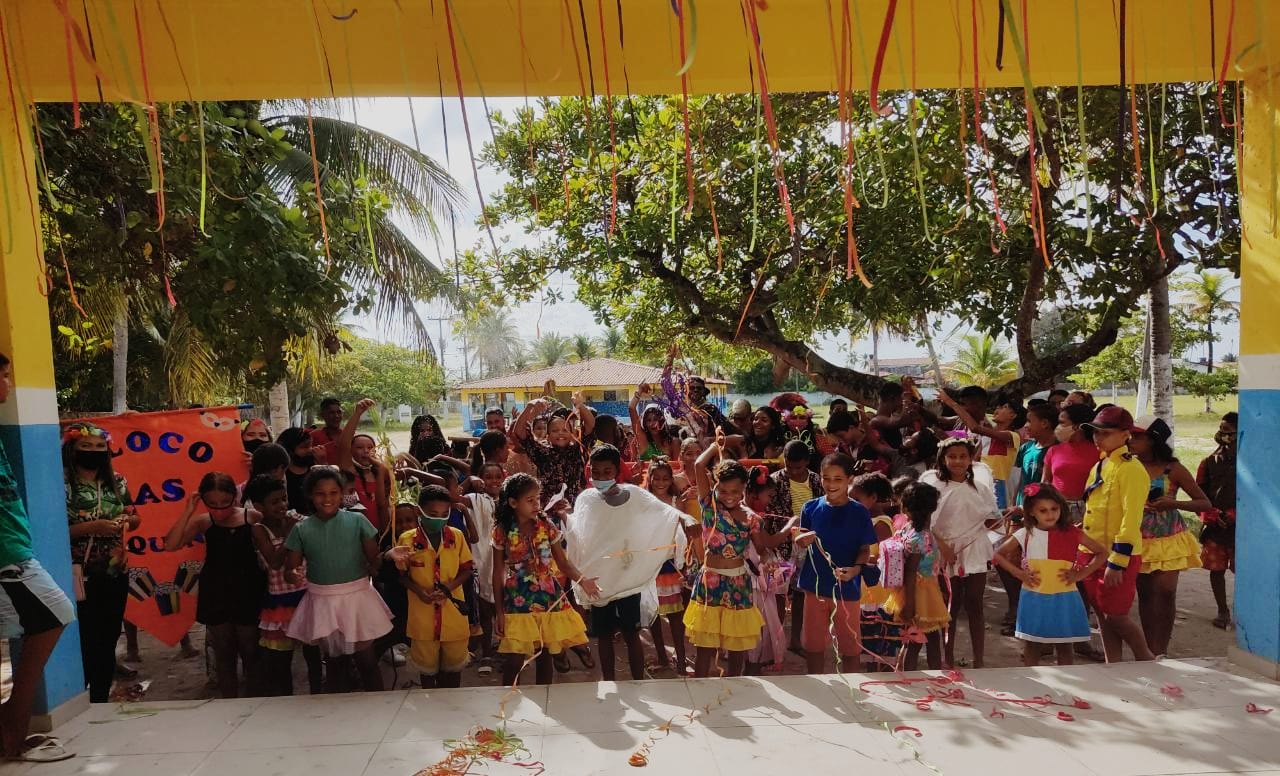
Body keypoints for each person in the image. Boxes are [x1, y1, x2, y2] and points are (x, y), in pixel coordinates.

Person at [0, 354, 75, 763]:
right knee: (56, 614)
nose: (9, 384)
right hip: (8, 555)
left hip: (14, 549)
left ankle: (12, 720)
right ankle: (13, 719)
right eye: (5, 376)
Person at [567, 445, 693, 681]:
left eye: (607, 472)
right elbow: (578, 532)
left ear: (617, 471)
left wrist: (686, 518)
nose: (602, 477)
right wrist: (565, 517)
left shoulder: (635, 495)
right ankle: (608, 681)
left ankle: (637, 681)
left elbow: (663, 513)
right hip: (600, 578)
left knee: (631, 632)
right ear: (589, 472)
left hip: (629, 577)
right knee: (604, 635)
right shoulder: (586, 499)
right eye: (596, 472)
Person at [284, 467, 393, 692]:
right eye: (320, 494)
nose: (327, 499)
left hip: (357, 598)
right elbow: (290, 569)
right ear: (310, 495)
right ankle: (337, 714)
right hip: (323, 601)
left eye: (333, 493)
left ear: (342, 493)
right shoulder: (301, 529)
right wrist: (293, 575)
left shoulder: (357, 521)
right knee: (334, 662)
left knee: (367, 661)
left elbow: (374, 561)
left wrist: (389, 556)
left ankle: (381, 708)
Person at [491, 472, 599, 687]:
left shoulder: (546, 526)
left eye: (538, 499)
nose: (536, 504)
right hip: (517, 600)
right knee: (515, 657)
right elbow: (497, 572)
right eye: (530, 500)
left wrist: (582, 580)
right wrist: (499, 611)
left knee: (545, 654)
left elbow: (563, 563)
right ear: (513, 502)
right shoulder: (502, 530)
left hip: (548, 597)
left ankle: (545, 701)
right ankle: (507, 704)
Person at [164, 473, 266, 698]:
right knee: (223, 652)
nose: (219, 510)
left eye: (225, 503)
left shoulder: (252, 517)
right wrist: (188, 511)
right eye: (213, 504)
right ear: (204, 501)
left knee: (251, 650)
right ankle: (229, 701)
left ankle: (256, 700)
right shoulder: (204, 521)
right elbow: (171, 544)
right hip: (216, 591)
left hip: (248, 589)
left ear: (234, 498)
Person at [62, 421, 140, 704]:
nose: (94, 452)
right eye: (86, 446)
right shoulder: (62, 484)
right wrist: (92, 526)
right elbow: (54, 530)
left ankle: (99, 699)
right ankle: (76, 697)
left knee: (108, 638)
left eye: (99, 446)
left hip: (114, 570)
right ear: (72, 449)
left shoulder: (117, 482)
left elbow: (135, 516)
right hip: (76, 573)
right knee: (83, 637)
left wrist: (124, 521)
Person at [992, 483, 1107, 666]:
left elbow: (1101, 552)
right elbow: (997, 554)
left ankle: (1065, 690)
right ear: (1031, 512)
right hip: (1034, 597)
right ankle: (1033, 686)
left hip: (1065, 597)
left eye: (1054, 509)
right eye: (1043, 510)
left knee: (1064, 646)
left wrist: (1081, 574)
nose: (1050, 514)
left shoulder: (1072, 533)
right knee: (1032, 645)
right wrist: (1019, 574)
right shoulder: (1025, 533)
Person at [683, 440, 769, 678]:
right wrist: (715, 445)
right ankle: (701, 685)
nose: (728, 496)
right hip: (709, 583)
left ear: (744, 490)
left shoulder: (751, 519)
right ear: (715, 487)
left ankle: (734, 685)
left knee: (736, 643)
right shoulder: (709, 507)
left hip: (737, 583)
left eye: (735, 491)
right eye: (723, 490)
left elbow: (762, 549)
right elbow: (700, 465)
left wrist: (768, 558)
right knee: (705, 646)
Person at [1078, 406, 1156, 662]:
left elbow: (1131, 519)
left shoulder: (1131, 469)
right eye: (1095, 433)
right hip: (1092, 552)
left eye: (1106, 433)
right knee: (1102, 615)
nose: (1098, 438)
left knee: (1117, 615)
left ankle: (1146, 659)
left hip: (1116, 556)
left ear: (1125, 435)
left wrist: (1118, 561)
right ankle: (1114, 664)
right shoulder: (1101, 464)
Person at [1129, 416, 1210, 656]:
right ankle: (1148, 649)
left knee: (1165, 592)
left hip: (1170, 538)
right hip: (1138, 538)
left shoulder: (1172, 469)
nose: (1131, 441)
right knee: (1144, 594)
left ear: (1153, 441)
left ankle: (1160, 649)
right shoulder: (1127, 465)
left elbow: (1204, 503)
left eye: (1138, 437)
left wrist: (1173, 503)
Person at [791, 453, 878, 674]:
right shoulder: (810, 508)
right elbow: (801, 541)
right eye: (826, 478)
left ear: (849, 479)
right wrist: (801, 540)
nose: (831, 484)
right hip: (815, 586)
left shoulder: (859, 512)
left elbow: (864, 549)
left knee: (850, 647)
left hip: (846, 588)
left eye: (838, 479)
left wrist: (856, 570)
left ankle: (852, 692)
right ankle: (817, 687)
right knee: (814, 645)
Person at [920, 438, 999, 668]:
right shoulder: (934, 485)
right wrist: (942, 546)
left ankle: (979, 660)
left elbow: (990, 519)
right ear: (943, 459)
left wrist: (1009, 515)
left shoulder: (980, 487)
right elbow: (927, 521)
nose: (957, 461)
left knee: (974, 602)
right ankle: (948, 659)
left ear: (970, 458)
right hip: (943, 549)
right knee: (949, 606)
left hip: (974, 548)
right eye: (952, 456)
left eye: (963, 456)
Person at [245, 475, 321, 696]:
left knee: (312, 652)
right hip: (279, 602)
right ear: (259, 506)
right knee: (281, 657)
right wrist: (290, 532)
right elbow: (275, 562)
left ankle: (318, 692)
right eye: (275, 502)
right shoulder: (259, 530)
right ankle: (286, 696)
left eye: (284, 499)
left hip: (306, 595)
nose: (282, 505)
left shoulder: (295, 518)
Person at [392, 485, 474, 689]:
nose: (439, 518)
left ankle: (450, 707)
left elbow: (467, 570)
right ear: (419, 511)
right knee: (427, 671)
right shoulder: (407, 539)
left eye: (445, 514)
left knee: (453, 669)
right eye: (433, 514)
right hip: (422, 618)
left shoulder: (456, 537)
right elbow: (401, 576)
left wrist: (449, 588)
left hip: (453, 616)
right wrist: (420, 591)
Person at [994, 402, 1059, 635]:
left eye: (1030, 421)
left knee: (1037, 564)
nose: (1026, 426)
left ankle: (1035, 615)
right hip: (1019, 514)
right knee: (1006, 559)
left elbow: (1048, 485)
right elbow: (1016, 480)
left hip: (1042, 517)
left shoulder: (1056, 449)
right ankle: (1016, 605)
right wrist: (1013, 506)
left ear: (1045, 423)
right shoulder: (1027, 448)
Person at [882, 482, 950, 670]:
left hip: (918, 589)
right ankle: (922, 675)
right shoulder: (922, 537)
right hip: (920, 593)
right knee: (920, 639)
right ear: (933, 508)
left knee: (917, 638)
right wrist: (910, 604)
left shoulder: (906, 529)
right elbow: (911, 571)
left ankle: (918, 674)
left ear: (905, 507)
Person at [766, 440, 822, 654]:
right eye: (789, 466)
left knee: (801, 594)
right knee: (778, 594)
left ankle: (795, 640)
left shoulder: (817, 481)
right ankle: (776, 643)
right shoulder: (775, 481)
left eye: (797, 467)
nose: (792, 471)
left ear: (807, 463)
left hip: (807, 544)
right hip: (782, 545)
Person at [939, 392, 1025, 509]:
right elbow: (974, 461)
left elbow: (975, 428)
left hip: (996, 484)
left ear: (1013, 415)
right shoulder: (988, 435)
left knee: (995, 522)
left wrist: (951, 402)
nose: (997, 409)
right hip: (979, 481)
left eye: (1004, 407)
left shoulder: (1012, 436)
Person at [646, 459, 693, 673]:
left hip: (671, 565)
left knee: (675, 615)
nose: (661, 482)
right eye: (657, 478)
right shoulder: (645, 501)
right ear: (650, 478)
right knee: (653, 615)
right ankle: (662, 657)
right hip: (649, 566)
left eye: (666, 478)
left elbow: (683, 531)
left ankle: (681, 658)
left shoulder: (676, 501)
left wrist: (683, 562)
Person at [743, 466, 789, 674]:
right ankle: (753, 663)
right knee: (758, 619)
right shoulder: (752, 517)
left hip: (750, 572)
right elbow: (766, 544)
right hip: (753, 575)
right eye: (768, 495)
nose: (770, 500)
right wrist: (789, 528)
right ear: (754, 494)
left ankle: (750, 661)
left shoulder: (745, 512)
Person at [851, 473, 898, 671]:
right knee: (868, 635)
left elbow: (884, 557)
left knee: (880, 634)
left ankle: (883, 671)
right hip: (865, 589)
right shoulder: (863, 520)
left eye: (856, 499)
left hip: (877, 591)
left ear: (873, 498)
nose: (851, 503)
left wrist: (858, 559)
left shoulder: (880, 524)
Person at [512, 395, 595, 508]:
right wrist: (529, 407)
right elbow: (519, 432)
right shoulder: (541, 451)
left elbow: (590, 425)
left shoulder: (577, 450)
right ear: (548, 436)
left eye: (565, 430)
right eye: (555, 430)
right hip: (549, 510)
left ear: (571, 434)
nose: (560, 433)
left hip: (577, 508)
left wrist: (580, 405)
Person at [1197, 412, 1238, 629]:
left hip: (1242, 530)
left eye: (1228, 432)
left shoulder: (1250, 465)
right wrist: (1211, 516)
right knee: (1216, 570)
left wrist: (1233, 515)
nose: (1223, 436)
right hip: (1214, 529)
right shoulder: (1208, 463)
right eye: (1221, 430)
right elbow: (1199, 496)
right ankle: (1222, 611)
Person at [467, 462, 505, 673]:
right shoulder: (475, 500)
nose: (493, 481)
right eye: (488, 477)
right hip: (482, 559)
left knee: (504, 606)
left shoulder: (509, 501)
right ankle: (487, 653)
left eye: (497, 477)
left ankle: (506, 648)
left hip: (503, 560)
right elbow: (454, 497)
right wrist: (469, 480)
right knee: (484, 608)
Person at [339, 399, 392, 532]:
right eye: (359, 447)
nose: (366, 451)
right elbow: (344, 445)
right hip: (354, 534)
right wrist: (357, 413)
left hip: (379, 533)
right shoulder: (350, 471)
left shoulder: (380, 470)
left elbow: (382, 505)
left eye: (370, 447)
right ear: (351, 450)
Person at [1042, 404, 1099, 524]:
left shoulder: (1099, 452)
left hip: (1089, 511)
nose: (1058, 427)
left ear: (1077, 426)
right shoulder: (1054, 450)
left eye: (1062, 423)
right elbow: (1045, 482)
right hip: (1057, 510)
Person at [630, 385, 682, 460]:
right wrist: (640, 391)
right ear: (644, 423)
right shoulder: (643, 440)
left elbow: (678, 467)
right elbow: (631, 408)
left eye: (655, 419)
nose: (652, 424)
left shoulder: (674, 442)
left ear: (662, 420)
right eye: (648, 420)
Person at [276, 427, 319, 513]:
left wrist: (322, 463)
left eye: (311, 445)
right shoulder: (280, 473)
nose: (310, 450)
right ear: (289, 450)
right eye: (304, 447)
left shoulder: (314, 468)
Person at [310, 397, 344, 464]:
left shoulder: (349, 435)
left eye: (339, 412)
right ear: (322, 415)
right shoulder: (314, 436)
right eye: (331, 413)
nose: (336, 416)